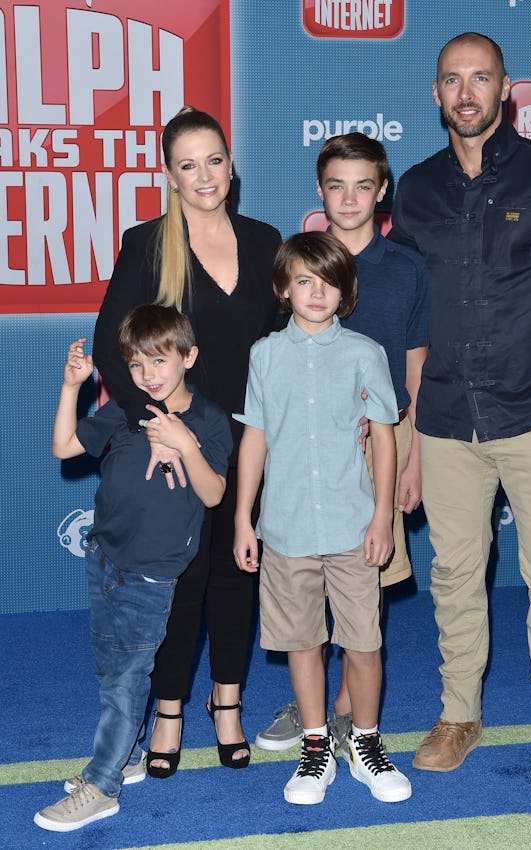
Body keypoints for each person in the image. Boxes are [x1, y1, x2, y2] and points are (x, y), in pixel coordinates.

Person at [389, 32, 531, 795]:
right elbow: (405, 309)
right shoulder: (413, 190)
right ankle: (460, 714)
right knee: (454, 576)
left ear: (505, 88)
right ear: (435, 93)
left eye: (479, 78)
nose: (465, 92)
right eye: (452, 79)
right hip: (447, 418)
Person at [92, 107, 282, 776]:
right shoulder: (146, 243)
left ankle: (226, 705)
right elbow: (111, 352)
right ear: (167, 174)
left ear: (232, 164)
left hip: (250, 446)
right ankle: (168, 710)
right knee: (179, 583)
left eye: (215, 160)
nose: (206, 175)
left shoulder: (266, 242)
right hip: (174, 446)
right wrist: (159, 428)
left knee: (238, 574)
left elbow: (287, 346)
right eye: (188, 164)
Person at [255, 133, 428, 753]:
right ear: (320, 191)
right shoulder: (300, 263)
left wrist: (416, 459)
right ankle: (318, 717)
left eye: (363, 185)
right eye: (336, 185)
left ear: (382, 192)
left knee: (366, 586)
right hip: (306, 449)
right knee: (304, 583)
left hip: (381, 442)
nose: (349, 198)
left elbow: (415, 371)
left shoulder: (406, 267)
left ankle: (342, 713)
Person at [34, 305, 232, 831]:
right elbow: (62, 446)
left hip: (153, 574)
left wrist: (184, 444)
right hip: (104, 560)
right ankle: (127, 753)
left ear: (188, 358)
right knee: (110, 671)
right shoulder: (126, 411)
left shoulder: (209, 420)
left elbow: (213, 494)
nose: (148, 375)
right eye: (137, 365)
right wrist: (72, 385)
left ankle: (103, 784)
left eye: (159, 361)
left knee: (125, 678)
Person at [233, 232, 412, 805]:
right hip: (284, 530)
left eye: (329, 281)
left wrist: (382, 516)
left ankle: (364, 742)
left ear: (346, 291)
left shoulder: (365, 353)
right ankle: (315, 749)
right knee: (302, 642)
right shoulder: (265, 354)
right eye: (304, 280)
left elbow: (383, 438)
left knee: (363, 643)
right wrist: (243, 517)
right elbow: (255, 438)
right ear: (284, 288)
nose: (316, 292)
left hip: (352, 527)